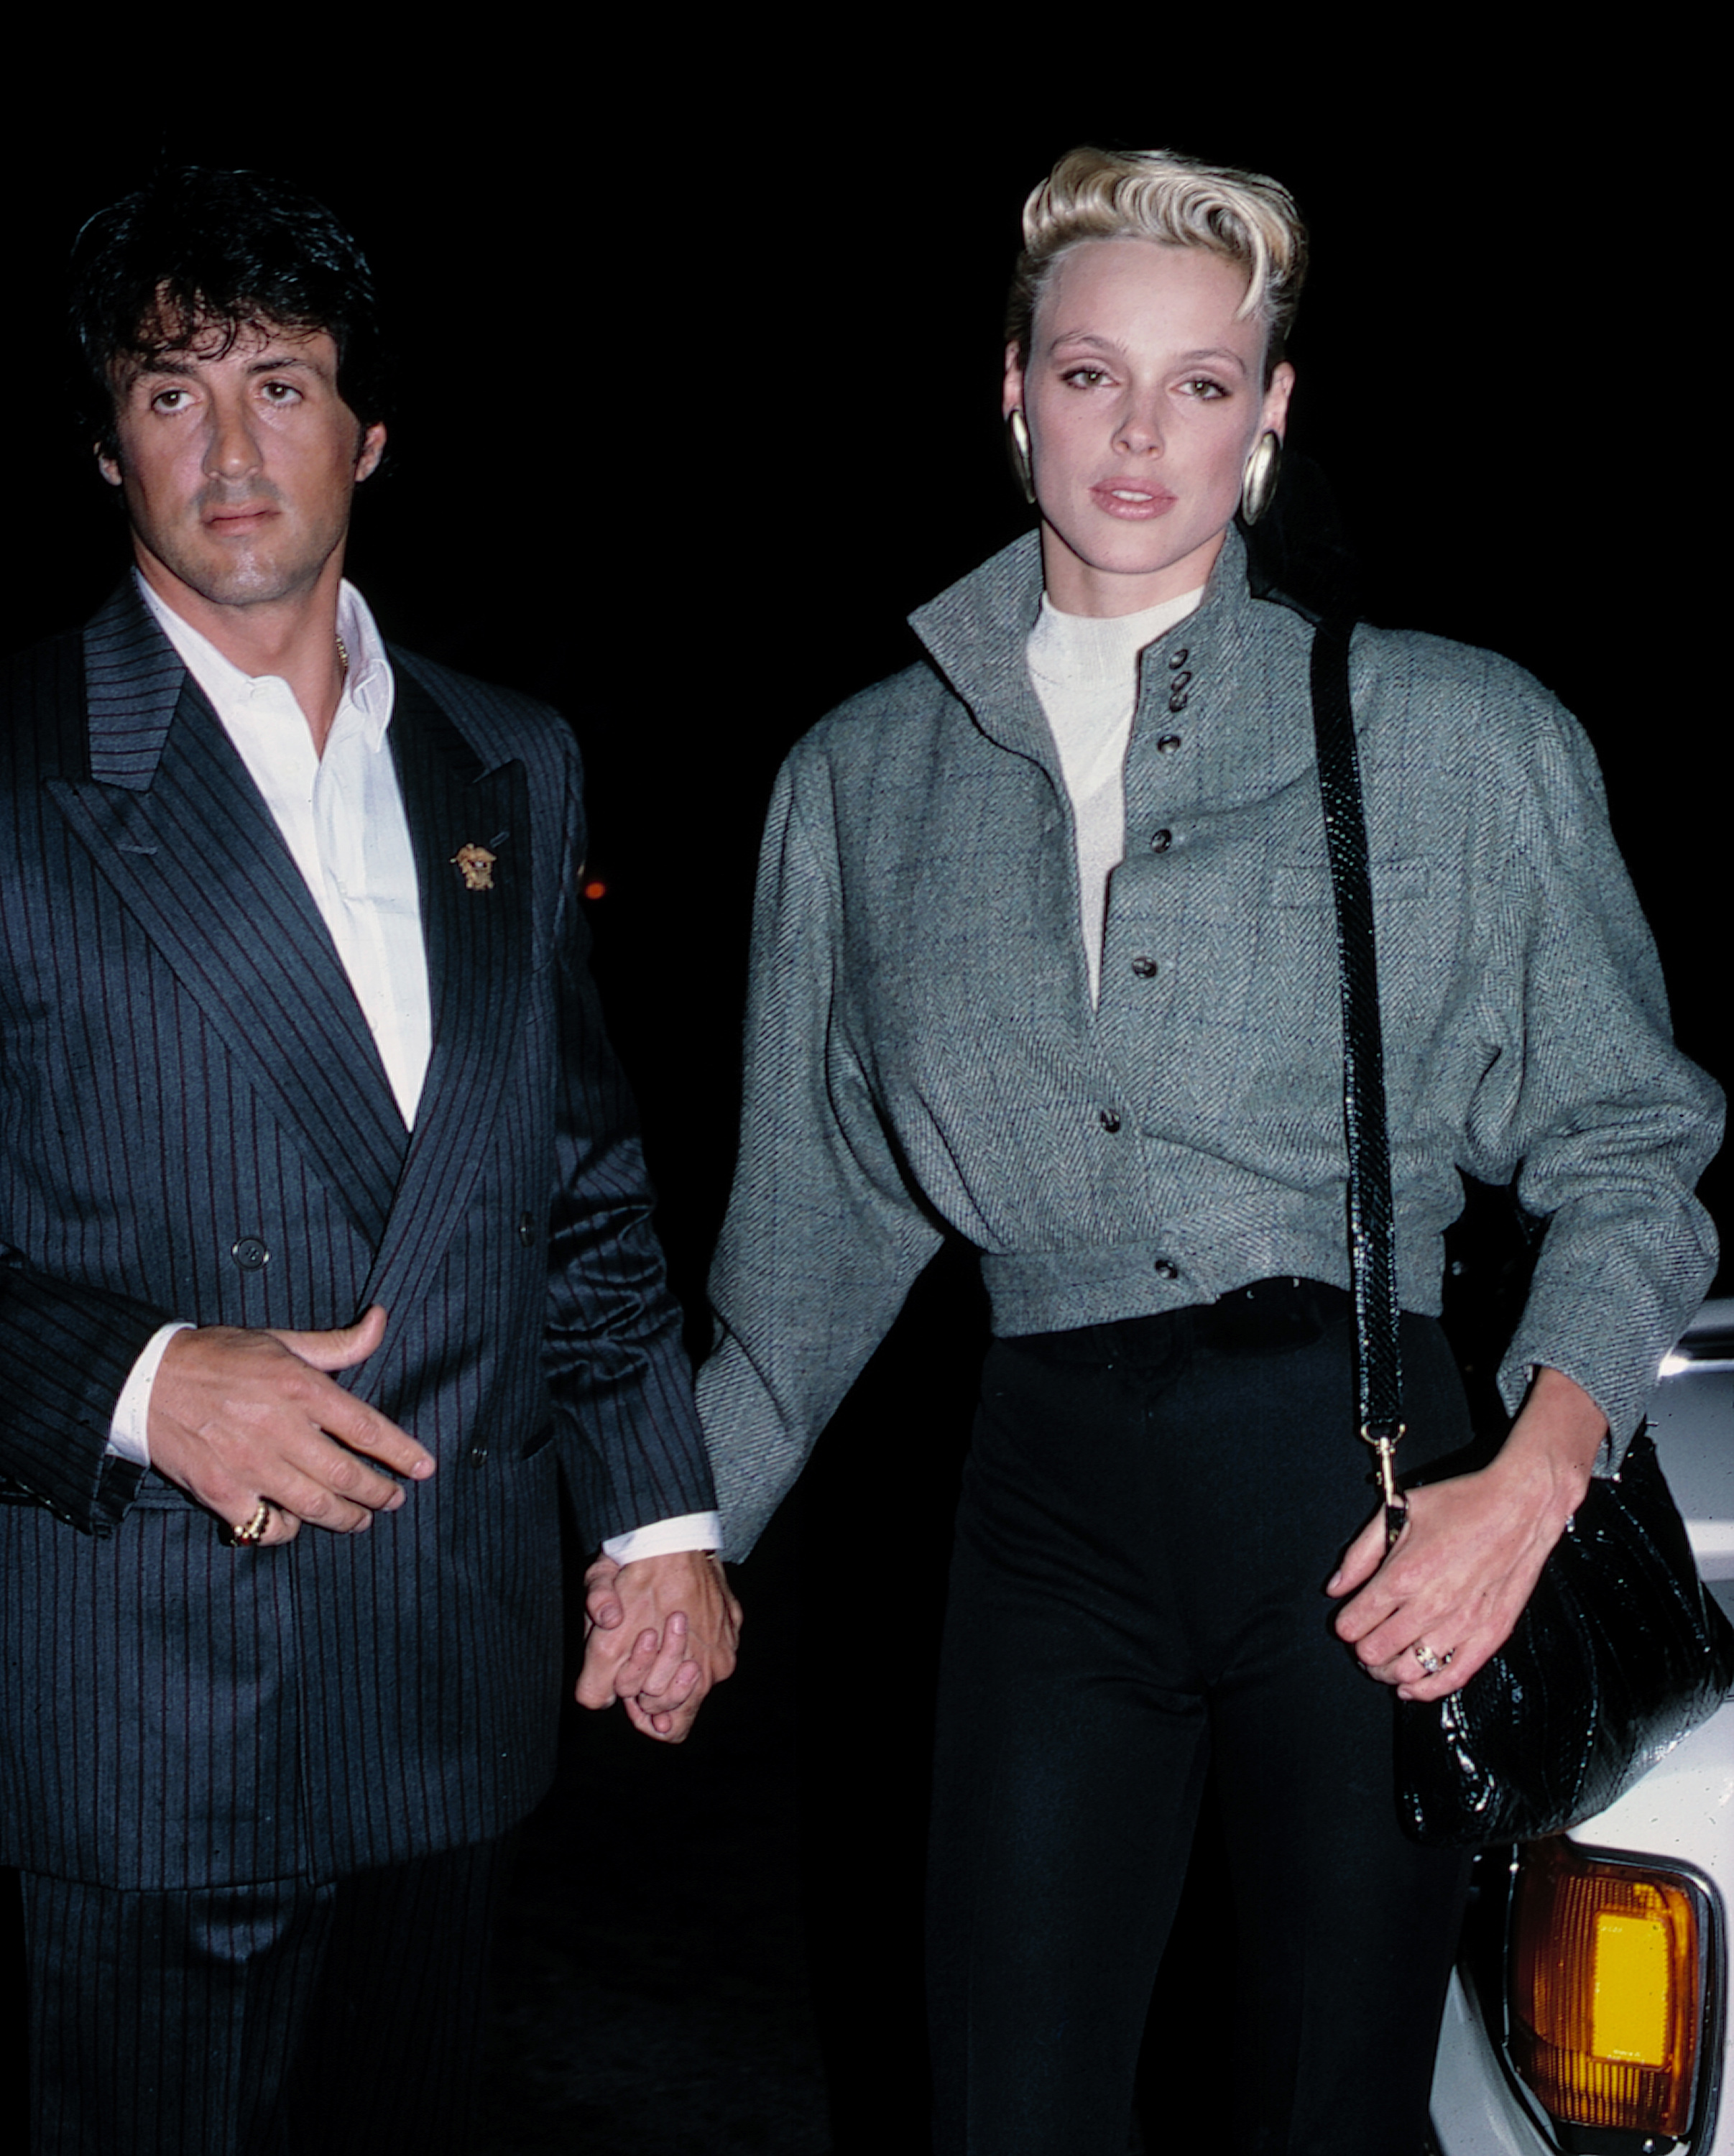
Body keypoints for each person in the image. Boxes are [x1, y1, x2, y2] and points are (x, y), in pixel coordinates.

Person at [691, 147, 1723, 2152]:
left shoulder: (1455, 736)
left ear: (1272, 410)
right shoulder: (860, 780)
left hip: (1367, 1498)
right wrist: (681, 1541)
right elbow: (817, 1218)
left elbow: (1629, 1145)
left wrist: (1525, 1482)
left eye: (1197, 380)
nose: (1138, 430)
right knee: (1001, 2102)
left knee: (1331, 2110)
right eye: (1090, 375)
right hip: (1044, 1504)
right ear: (1013, 392)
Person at [0, 165, 739, 2155]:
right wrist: (144, 1383)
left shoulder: (513, 759)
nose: (233, 448)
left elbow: (576, 1181)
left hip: (449, 1698)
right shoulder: (19, 769)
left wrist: (659, 1530)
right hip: (144, 1719)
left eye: (284, 384)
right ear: (103, 444)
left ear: (371, 431)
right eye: (172, 394)